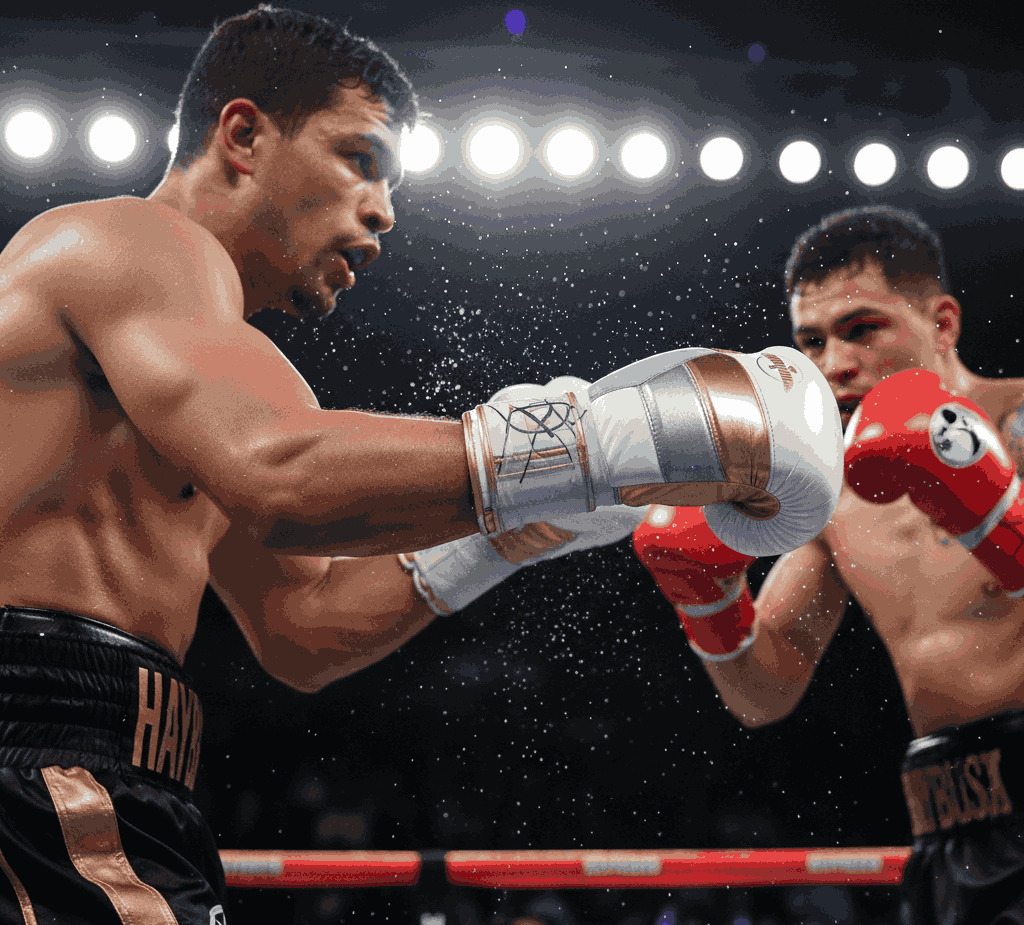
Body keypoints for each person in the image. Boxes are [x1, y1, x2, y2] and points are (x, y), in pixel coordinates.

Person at [0, 6, 844, 923]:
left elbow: (304, 625)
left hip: (117, 767)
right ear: (243, 135)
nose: (385, 209)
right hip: (35, 750)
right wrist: (599, 440)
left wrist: (509, 527)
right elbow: (280, 476)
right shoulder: (132, 242)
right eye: (360, 158)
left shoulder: (226, 376)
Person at [633, 204, 1024, 925]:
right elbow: (764, 694)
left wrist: (993, 504)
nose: (832, 364)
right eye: (809, 342)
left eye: (861, 328)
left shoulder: (1019, 422)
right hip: (953, 824)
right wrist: (707, 597)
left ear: (942, 325)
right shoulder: (832, 498)